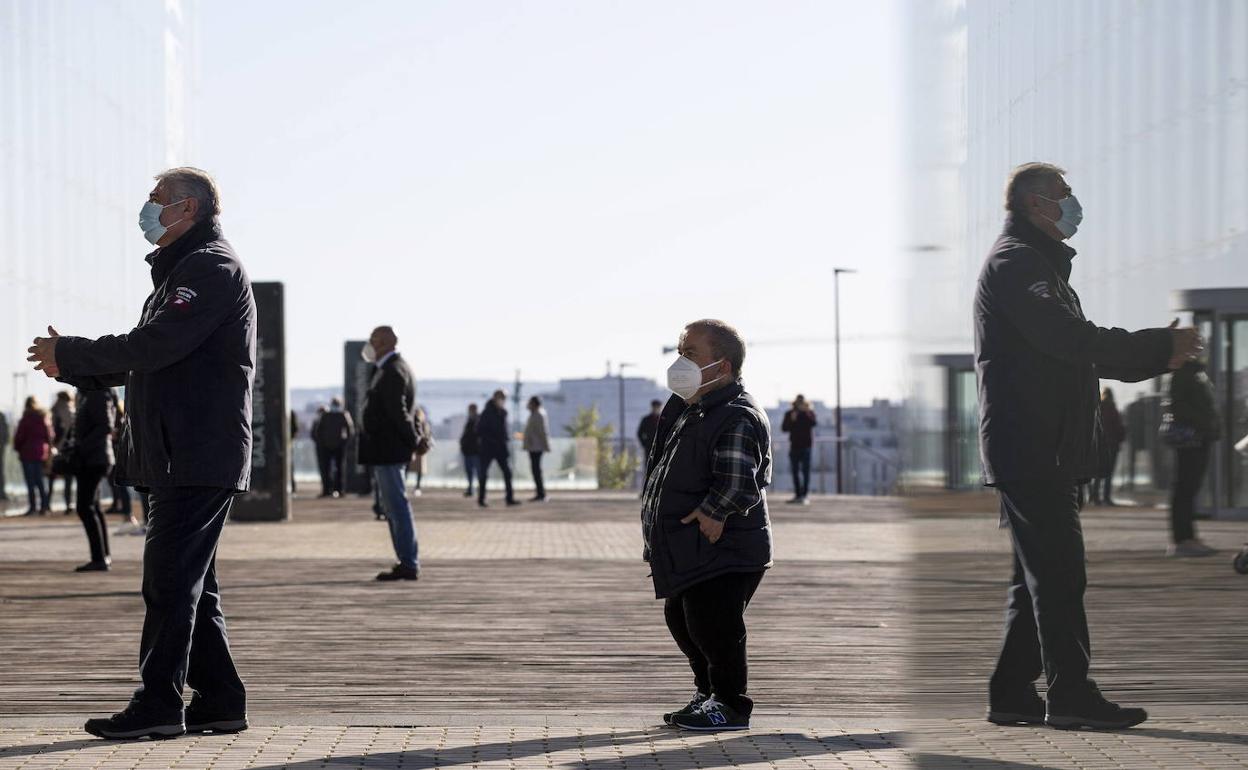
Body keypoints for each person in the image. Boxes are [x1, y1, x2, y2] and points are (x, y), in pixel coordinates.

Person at [27, 166, 255, 740]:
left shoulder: (209, 268)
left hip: (195, 453)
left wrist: (73, 351)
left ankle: (158, 704)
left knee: (171, 584)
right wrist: (74, 367)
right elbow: (148, 361)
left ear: (188, 209)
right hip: (181, 453)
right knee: (192, 586)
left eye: (156, 200)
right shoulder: (185, 270)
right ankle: (222, 699)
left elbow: (156, 346)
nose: (147, 210)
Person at [975, 162, 1200, 731]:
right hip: (1032, 446)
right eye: (1063, 194)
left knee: (1037, 578)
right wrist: (1157, 345)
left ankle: (1010, 692)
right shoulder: (1017, 262)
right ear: (1035, 205)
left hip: (1041, 446)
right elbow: (1067, 339)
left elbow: (1076, 354)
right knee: (1058, 575)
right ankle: (1071, 696)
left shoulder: (1036, 265)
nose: (1073, 203)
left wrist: (1157, 355)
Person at [641, 319, 773, 732]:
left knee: (714, 623)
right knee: (682, 617)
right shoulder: (690, 409)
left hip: (725, 546)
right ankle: (708, 693)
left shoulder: (735, 415)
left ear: (723, 366)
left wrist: (716, 511)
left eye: (691, 353)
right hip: (689, 544)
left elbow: (739, 479)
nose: (681, 361)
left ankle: (731, 704)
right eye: (680, 352)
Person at [357, 325, 421, 582]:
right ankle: (405, 560)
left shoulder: (393, 371)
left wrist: (414, 440)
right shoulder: (390, 368)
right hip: (387, 450)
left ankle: (408, 562)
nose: (369, 346)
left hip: (389, 450)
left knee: (397, 506)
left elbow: (399, 412)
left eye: (372, 340)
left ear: (383, 342)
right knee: (394, 506)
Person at [1164, 359, 1220, 557]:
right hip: (1191, 438)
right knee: (1185, 486)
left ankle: (1188, 537)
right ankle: (1182, 539)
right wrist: (1202, 423)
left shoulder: (1197, 374)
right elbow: (1178, 406)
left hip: (1200, 436)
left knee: (1190, 487)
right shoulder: (1183, 374)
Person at [72, 388, 117, 572]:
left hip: (94, 459)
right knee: (93, 507)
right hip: (95, 458)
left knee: (85, 507)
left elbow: (105, 426)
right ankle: (102, 556)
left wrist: (82, 446)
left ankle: (99, 557)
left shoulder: (97, 393)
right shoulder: (92, 393)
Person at [477, 390, 519, 508]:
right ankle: (481, 498)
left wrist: (505, 439)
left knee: (507, 473)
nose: (502, 401)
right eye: (501, 398)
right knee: (484, 473)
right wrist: (491, 439)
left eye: (504, 398)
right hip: (488, 448)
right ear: (495, 398)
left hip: (501, 448)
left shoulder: (503, 413)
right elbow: (480, 430)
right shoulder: (486, 412)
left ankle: (509, 498)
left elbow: (504, 430)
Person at [12, 397, 53, 515]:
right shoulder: (43, 418)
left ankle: (33, 507)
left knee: (30, 482)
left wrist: (18, 448)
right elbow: (50, 436)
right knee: (40, 481)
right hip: (41, 453)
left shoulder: (25, 419)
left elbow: (19, 437)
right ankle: (45, 507)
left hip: (27, 453)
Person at [1089, 388, 1125, 506]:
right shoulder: (1113, 409)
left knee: (1098, 471)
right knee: (1109, 473)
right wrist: (1121, 437)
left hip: (1099, 444)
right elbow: (1118, 427)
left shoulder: (1098, 408)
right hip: (1112, 444)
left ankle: (1094, 496)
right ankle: (1106, 497)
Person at [312, 397, 354, 498]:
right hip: (338, 445)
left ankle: (327, 490)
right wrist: (344, 442)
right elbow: (350, 431)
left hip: (327, 446)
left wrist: (321, 443)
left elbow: (318, 431)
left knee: (327, 469)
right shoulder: (343, 415)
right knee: (339, 469)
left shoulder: (326, 415)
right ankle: (339, 490)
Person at [780, 395, 818, 504]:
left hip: (807, 446)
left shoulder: (809, 413)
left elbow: (813, 423)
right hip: (794, 446)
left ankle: (804, 495)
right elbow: (784, 428)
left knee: (806, 472)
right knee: (795, 471)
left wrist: (805, 413)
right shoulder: (790, 413)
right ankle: (798, 494)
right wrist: (792, 419)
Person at [48, 390, 76, 513]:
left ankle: (47, 503)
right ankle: (69, 504)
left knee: (51, 476)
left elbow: (54, 430)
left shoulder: (55, 410)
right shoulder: (73, 410)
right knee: (68, 479)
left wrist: (53, 445)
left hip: (58, 447)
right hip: (71, 447)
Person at [523, 396, 551, 502]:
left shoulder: (538, 415)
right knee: (535, 470)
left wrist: (546, 445)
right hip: (533, 447)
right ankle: (540, 493)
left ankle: (541, 494)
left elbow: (542, 431)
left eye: (530, 403)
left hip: (536, 447)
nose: (528, 405)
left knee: (536, 471)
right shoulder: (534, 414)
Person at [410, 407, 432, 497]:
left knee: (410, 468)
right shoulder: (425, 423)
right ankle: (417, 487)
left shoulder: (415, 421)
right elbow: (428, 435)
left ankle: (416, 487)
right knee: (419, 470)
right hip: (421, 449)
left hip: (416, 449)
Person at [460, 404, 481, 498]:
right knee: (469, 471)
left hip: (476, 451)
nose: (470, 411)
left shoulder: (479, 420)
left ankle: (480, 489)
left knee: (478, 471)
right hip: (468, 450)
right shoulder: (469, 421)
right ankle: (471, 489)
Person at [289, 409, 300, 496]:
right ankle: (292, 488)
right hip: (288, 444)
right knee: (290, 466)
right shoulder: (291, 412)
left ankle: (292, 488)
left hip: (287, 443)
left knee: (289, 466)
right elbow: (296, 428)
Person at [0, 410, 10, 503]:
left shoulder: (1, 416)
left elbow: (5, 435)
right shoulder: (2, 416)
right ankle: (2, 493)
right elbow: (6, 435)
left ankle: (2, 493)